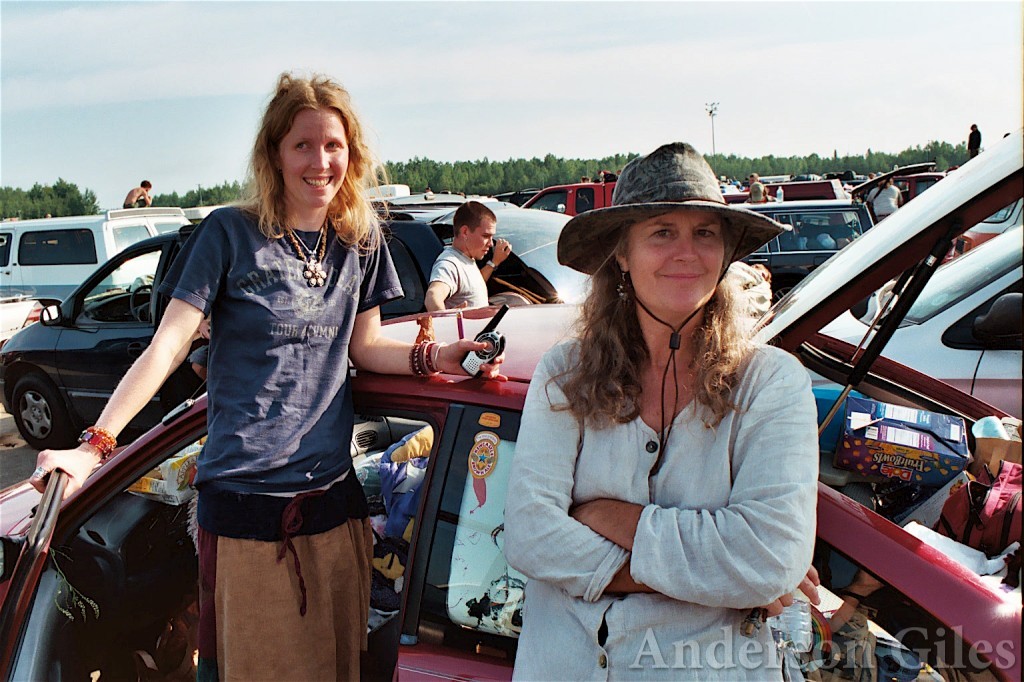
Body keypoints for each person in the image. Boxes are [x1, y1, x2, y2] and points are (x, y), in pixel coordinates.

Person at [30, 72, 502, 680]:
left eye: (333, 145)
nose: (320, 161)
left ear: (351, 154)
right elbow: (168, 345)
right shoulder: (229, 234)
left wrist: (437, 358)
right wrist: (94, 447)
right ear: (274, 154)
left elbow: (367, 345)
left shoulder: (359, 241)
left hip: (334, 509)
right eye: (302, 144)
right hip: (248, 515)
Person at [504, 142, 820, 679]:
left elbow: (768, 559)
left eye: (705, 233)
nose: (687, 253)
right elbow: (530, 536)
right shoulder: (565, 372)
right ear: (621, 254)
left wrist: (607, 517)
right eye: (662, 232)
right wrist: (722, 578)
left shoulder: (770, 382)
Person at [424, 200, 512, 311]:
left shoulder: (465, 259)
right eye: (485, 236)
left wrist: (494, 262)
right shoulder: (449, 264)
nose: (490, 243)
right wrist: (446, 319)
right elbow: (432, 297)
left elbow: (472, 286)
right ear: (465, 232)